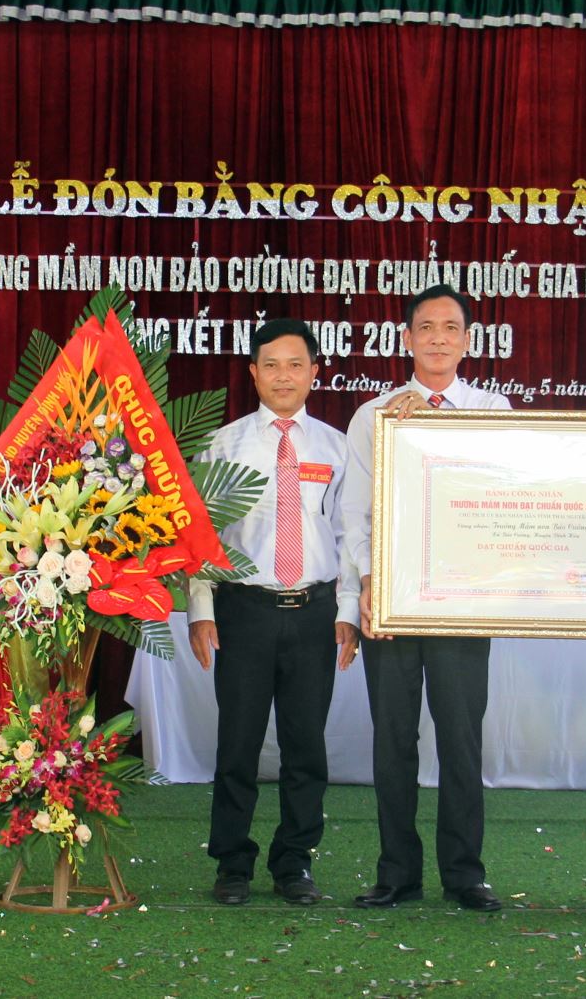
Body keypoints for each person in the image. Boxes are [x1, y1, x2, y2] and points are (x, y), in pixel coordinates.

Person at [342, 283, 508, 911]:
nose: (438, 339)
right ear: (407, 338)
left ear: (467, 341)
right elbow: (353, 512)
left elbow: (501, 490)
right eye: (426, 328)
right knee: (393, 740)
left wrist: (435, 428)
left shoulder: (492, 409)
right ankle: (397, 873)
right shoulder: (373, 414)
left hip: (464, 598)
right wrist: (367, 582)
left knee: (461, 739)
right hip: (393, 598)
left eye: (451, 328)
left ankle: (465, 874)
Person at [186, 318, 361, 907]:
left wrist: (348, 610)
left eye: (295, 365)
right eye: (271, 365)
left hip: (314, 612)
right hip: (244, 610)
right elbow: (201, 536)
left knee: (305, 746)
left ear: (314, 372)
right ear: (253, 373)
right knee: (236, 744)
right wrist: (201, 609)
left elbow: (349, 535)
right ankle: (232, 862)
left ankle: (294, 862)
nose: (283, 376)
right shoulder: (223, 445)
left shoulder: (336, 447)